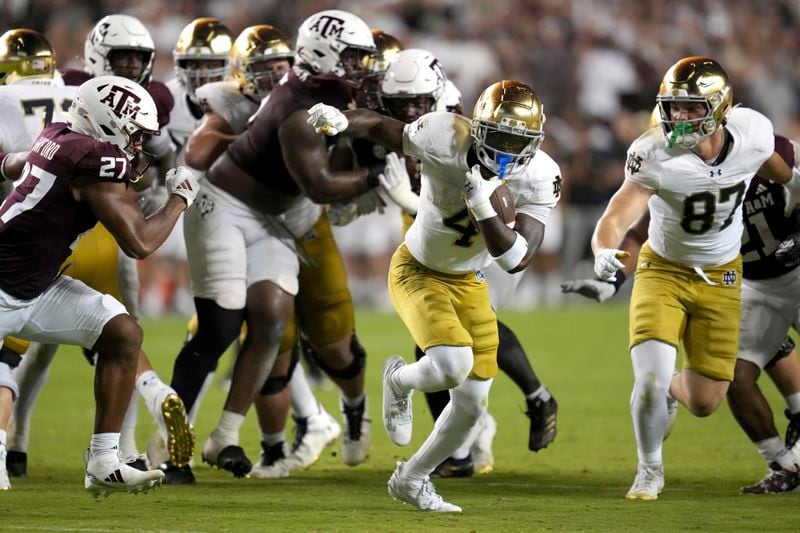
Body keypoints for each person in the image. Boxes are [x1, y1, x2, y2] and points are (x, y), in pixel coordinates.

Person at [308, 77, 559, 512]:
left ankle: (413, 478)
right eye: (496, 136)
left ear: (535, 142)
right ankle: (399, 380)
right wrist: (342, 120)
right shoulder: (444, 134)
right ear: (476, 127)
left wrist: (482, 205)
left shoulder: (540, 175)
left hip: (471, 281)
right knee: (454, 364)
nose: (503, 150)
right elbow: (377, 125)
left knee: (473, 406)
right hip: (419, 271)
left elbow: (516, 259)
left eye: (516, 141)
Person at [172, 10, 395, 479]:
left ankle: (225, 436)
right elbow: (319, 186)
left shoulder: (320, 90)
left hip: (274, 216)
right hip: (228, 205)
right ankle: (174, 449)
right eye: (351, 55)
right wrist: (376, 177)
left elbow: (364, 122)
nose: (359, 65)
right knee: (220, 326)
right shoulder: (299, 108)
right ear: (324, 54)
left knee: (273, 315)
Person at [587, 56, 800, 500]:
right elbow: (618, 213)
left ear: (720, 107)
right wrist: (602, 249)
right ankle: (649, 469)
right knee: (647, 377)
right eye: (673, 107)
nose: (679, 117)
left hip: (723, 276)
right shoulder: (653, 152)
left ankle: (669, 387)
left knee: (704, 402)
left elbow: (782, 174)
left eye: (690, 108)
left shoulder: (752, 134)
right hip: (662, 269)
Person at [6, 17, 193, 479]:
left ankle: (105, 459)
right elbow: (140, 243)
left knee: (122, 332)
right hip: (5, 285)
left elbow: (15, 162)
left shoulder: (57, 137)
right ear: (107, 122)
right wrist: (179, 198)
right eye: (131, 133)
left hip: (36, 285)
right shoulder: (94, 160)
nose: (135, 145)